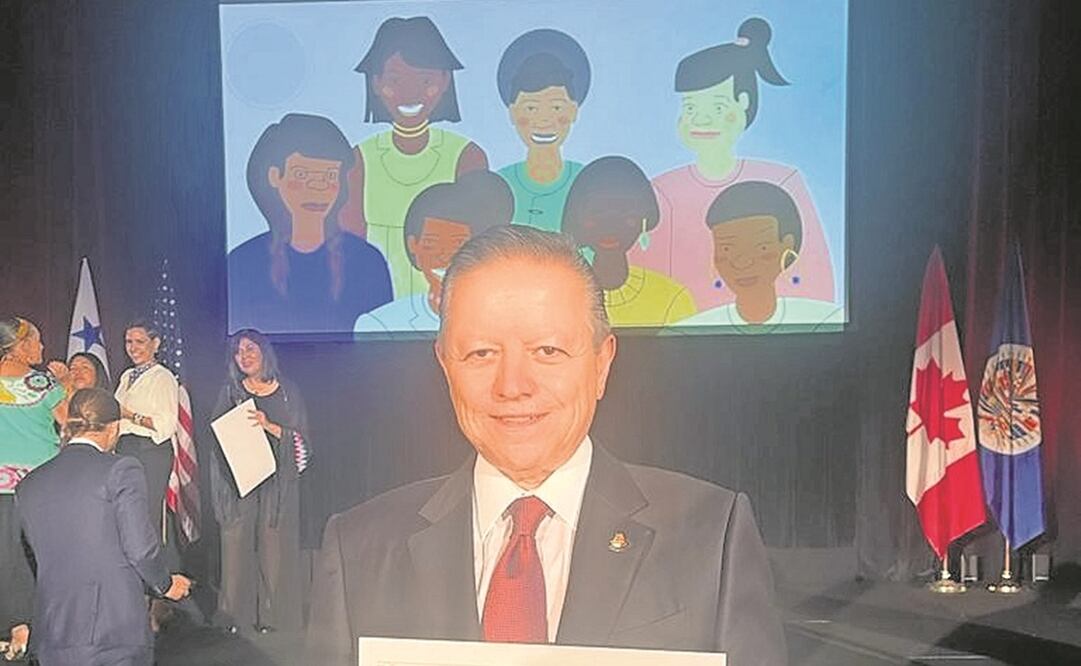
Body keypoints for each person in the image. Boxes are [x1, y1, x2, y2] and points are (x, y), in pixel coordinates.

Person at [308, 227, 786, 665]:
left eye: (548, 352)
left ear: (601, 363)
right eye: (481, 353)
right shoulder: (359, 549)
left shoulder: (710, 536)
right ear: (444, 364)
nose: (512, 385)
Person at [629, 17, 835, 311]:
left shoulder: (783, 181)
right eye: (690, 107)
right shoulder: (662, 190)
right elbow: (642, 283)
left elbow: (816, 281)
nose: (701, 119)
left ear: (744, 102)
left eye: (716, 107)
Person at [16, 388, 192, 666]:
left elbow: (27, 561)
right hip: (111, 633)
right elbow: (140, 550)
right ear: (114, 428)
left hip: (51, 635)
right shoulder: (121, 469)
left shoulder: (28, 484)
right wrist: (165, 584)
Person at [339, 16, 489, 298]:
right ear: (375, 82)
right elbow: (352, 243)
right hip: (378, 300)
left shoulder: (467, 155)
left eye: (425, 80)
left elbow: (479, 246)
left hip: (452, 301)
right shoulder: (360, 158)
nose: (410, 93)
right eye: (395, 80)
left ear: (445, 80)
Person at [229, 113, 393, 334]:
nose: (317, 188)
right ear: (275, 176)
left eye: (329, 176)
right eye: (302, 174)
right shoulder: (242, 263)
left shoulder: (367, 261)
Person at [210, 330, 310, 635]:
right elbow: (217, 438)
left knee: (273, 550)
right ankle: (232, 616)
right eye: (238, 352)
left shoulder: (287, 392)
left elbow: (302, 441)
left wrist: (270, 426)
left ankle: (271, 617)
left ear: (264, 352)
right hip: (240, 481)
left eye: (250, 349)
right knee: (235, 547)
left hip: (277, 485)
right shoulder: (231, 392)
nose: (244, 356)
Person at [354, 171, 513, 333]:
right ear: (413, 245)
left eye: (458, 243)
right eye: (432, 243)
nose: (444, 255)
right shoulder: (379, 324)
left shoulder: (509, 322)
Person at [677, 181, 843, 333]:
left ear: (788, 245)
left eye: (762, 247)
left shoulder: (827, 320)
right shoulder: (684, 332)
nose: (741, 262)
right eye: (726, 248)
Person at [0, 316, 70, 660]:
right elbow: (72, 425)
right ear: (20, 346)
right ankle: (37, 623)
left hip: (8, 490)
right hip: (42, 486)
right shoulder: (43, 383)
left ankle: (16, 625)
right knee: (43, 554)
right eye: (37, 341)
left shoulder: (43, 381)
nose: (42, 348)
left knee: (8, 557)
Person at [562, 156, 697, 327]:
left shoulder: (673, 297)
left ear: (644, 218)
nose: (610, 226)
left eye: (625, 213)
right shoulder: (558, 293)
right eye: (597, 212)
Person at [495, 29, 589, 231]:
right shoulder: (499, 184)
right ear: (512, 112)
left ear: (574, 111)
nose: (544, 120)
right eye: (531, 108)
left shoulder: (586, 182)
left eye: (556, 107)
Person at [114, 321, 178, 541]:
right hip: (124, 449)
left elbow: (166, 425)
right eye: (128, 342)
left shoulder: (163, 377)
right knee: (124, 512)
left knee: (146, 513)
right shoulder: (126, 376)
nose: (133, 348)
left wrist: (131, 415)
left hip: (150, 452)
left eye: (140, 342)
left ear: (156, 343)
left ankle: (151, 569)